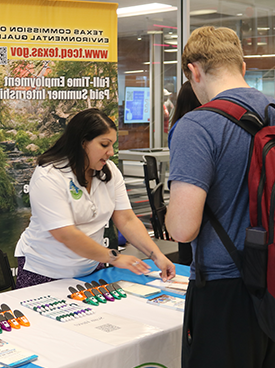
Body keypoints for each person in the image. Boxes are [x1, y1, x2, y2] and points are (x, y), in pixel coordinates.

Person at [165, 26, 275, 368]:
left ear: (193, 71)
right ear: (242, 65)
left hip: (223, 293)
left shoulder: (197, 125)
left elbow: (183, 228)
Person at [15, 108, 176, 288]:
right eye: (104, 144)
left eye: (112, 145)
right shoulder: (49, 176)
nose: (110, 152)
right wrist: (115, 257)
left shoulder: (109, 172)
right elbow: (66, 234)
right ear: (82, 143)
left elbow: (127, 219)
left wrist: (157, 256)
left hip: (91, 268)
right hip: (46, 272)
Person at [167, 80, 201, 266]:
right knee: (188, 258)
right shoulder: (187, 130)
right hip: (188, 198)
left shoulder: (179, 126)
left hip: (182, 196)